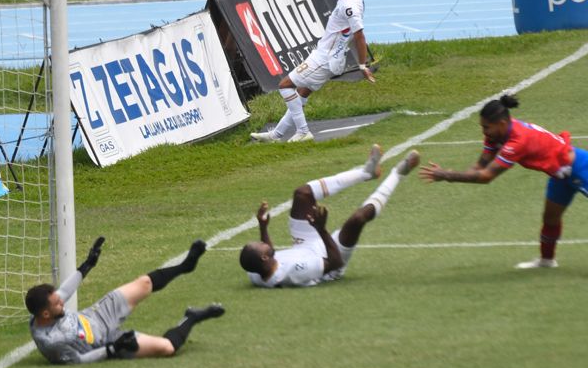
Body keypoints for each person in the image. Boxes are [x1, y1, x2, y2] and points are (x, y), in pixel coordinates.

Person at [419, 94, 587, 269]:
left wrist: (448, 176)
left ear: (501, 124)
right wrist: (450, 174)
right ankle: (547, 261)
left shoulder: (517, 141)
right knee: (550, 218)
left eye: (486, 127)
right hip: (559, 174)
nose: (484, 131)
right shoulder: (495, 136)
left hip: (580, 167)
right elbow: (480, 166)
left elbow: (486, 177)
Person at [240, 145, 420, 287]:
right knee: (357, 219)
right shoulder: (296, 272)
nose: (264, 243)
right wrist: (321, 229)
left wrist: (263, 227)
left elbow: (272, 255)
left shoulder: (256, 273)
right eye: (261, 245)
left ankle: (366, 173)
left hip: (303, 246)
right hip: (329, 258)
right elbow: (335, 262)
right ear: (264, 258)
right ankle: (397, 174)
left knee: (302, 194)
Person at [26, 237, 225, 365]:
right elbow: (79, 360)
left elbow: (63, 291)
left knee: (144, 283)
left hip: (97, 314)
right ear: (45, 314)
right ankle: (191, 318)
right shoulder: (53, 342)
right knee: (167, 348)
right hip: (107, 342)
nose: (62, 301)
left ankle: (185, 266)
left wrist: (87, 265)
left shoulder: (46, 309)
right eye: (57, 304)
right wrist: (113, 348)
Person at [250, 0, 376, 144]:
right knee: (301, 94)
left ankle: (303, 131)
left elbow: (359, 36)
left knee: (285, 86)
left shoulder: (349, 5)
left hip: (324, 58)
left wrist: (362, 65)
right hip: (330, 57)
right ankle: (276, 135)